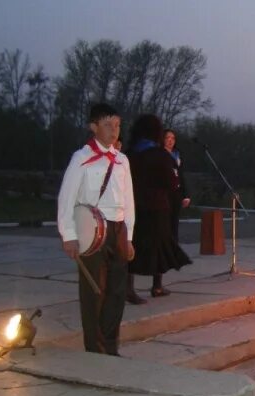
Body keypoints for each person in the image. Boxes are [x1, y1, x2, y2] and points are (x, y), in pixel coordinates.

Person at [57, 103, 135, 356]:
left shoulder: (122, 160)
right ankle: (94, 347)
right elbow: (66, 198)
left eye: (117, 125)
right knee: (93, 290)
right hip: (92, 230)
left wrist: (129, 236)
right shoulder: (81, 159)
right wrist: (68, 235)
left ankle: (111, 346)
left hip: (118, 230)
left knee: (117, 290)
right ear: (93, 127)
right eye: (107, 125)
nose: (114, 130)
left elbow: (129, 200)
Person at [125, 114, 191, 301]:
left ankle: (128, 287)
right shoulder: (160, 155)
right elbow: (172, 183)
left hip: (134, 206)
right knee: (159, 247)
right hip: (157, 207)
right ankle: (157, 286)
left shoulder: (130, 154)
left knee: (133, 244)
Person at [162, 128, 191, 241]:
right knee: (165, 223)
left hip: (176, 194)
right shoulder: (158, 154)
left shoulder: (177, 155)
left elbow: (181, 176)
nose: (170, 141)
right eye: (167, 138)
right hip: (164, 194)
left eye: (173, 138)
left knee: (174, 224)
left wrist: (186, 195)